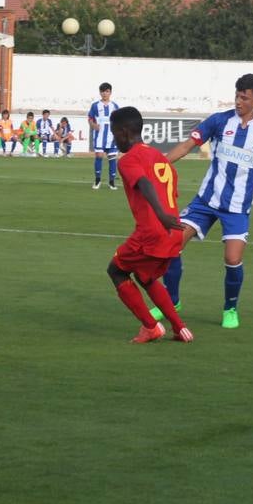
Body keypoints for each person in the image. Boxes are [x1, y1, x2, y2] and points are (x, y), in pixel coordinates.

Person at [162, 73, 253, 330]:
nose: (238, 101)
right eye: (237, 95)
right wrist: (158, 164)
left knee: (233, 259)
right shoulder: (218, 121)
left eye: (244, 97)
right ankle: (171, 301)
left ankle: (230, 308)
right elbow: (186, 146)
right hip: (206, 200)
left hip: (237, 207)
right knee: (171, 242)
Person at [106, 106, 192, 343]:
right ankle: (180, 328)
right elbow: (171, 191)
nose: (114, 139)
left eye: (114, 133)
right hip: (173, 233)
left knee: (116, 270)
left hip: (153, 232)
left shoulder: (128, 160)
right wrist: (166, 216)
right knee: (146, 277)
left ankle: (151, 327)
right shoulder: (161, 159)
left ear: (124, 132)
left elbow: (144, 183)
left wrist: (161, 215)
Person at [88, 82, 120, 188]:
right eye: (103, 91)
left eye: (107, 91)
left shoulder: (115, 106)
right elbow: (90, 118)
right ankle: (97, 180)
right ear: (100, 93)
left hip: (112, 136)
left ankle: (111, 182)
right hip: (99, 136)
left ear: (110, 92)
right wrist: (93, 125)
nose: (105, 93)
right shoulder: (95, 105)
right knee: (99, 156)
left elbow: (118, 120)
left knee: (112, 158)